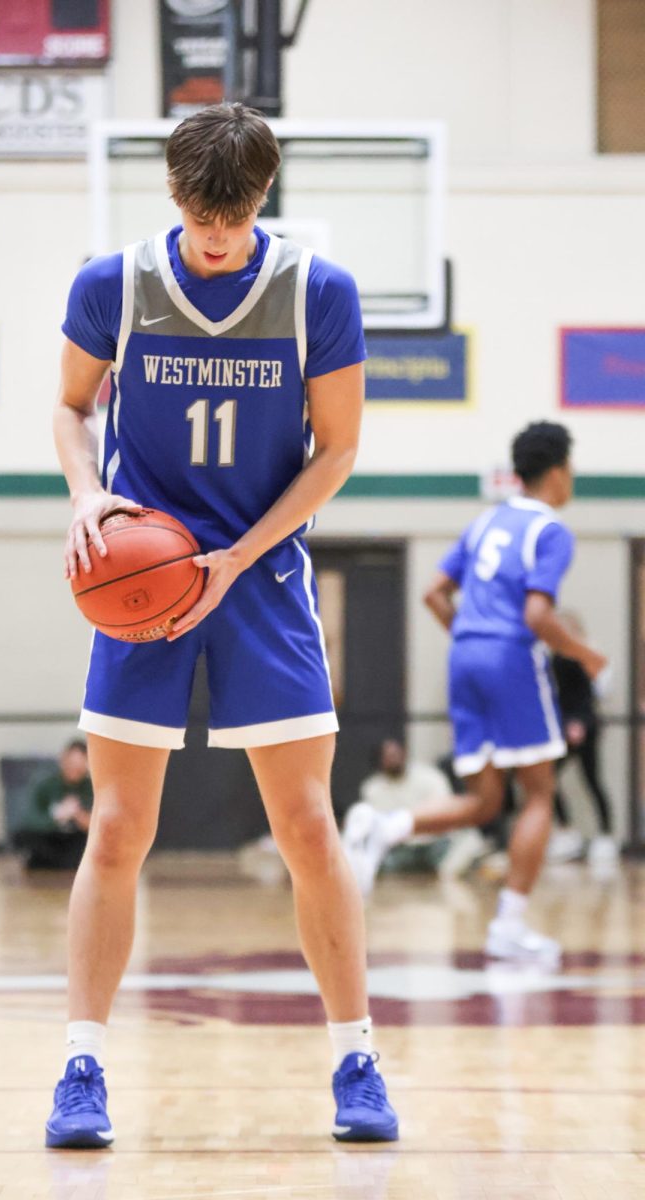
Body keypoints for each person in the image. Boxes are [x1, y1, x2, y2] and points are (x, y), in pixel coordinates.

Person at [45, 103, 398, 1149]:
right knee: (115, 829)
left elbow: (334, 451)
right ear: (172, 194)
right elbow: (69, 408)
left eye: (233, 216)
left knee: (304, 828)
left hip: (259, 576)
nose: (216, 233)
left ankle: (355, 1056)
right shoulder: (110, 284)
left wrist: (237, 557)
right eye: (202, 214)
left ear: (260, 201)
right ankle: (80, 1065)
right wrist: (81, 497)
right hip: (139, 576)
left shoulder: (315, 293)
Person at [346, 422, 607, 963]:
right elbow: (537, 614)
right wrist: (586, 654)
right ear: (558, 471)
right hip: (512, 660)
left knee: (485, 800)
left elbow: (433, 593)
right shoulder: (551, 530)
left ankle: (385, 828)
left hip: (463, 657)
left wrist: (473, 639)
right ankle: (509, 925)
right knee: (538, 794)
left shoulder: (486, 521)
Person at [342, 738, 485, 885]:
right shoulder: (372, 788)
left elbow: (447, 812)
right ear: (380, 760)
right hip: (400, 850)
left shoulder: (430, 777)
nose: (393, 759)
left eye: (396, 754)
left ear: (405, 754)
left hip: (436, 844)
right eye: (388, 756)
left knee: (470, 839)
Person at [550, 612, 617, 867]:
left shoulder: (583, 654)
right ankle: (566, 831)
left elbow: (589, 693)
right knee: (547, 779)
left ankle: (605, 834)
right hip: (565, 725)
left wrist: (578, 722)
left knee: (591, 779)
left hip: (582, 725)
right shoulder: (556, 654)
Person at [12, 740, 93, 869]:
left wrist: (76, 813)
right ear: (63, 760)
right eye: (71, 764)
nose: (74, 769)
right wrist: (58, 815)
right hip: (50, 836)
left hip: (75, 838)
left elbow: (95, 826)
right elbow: (31, 819)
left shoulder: (91, 788)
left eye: (79, 765)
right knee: (23, 836)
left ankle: (54, 862)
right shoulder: (47, 784)